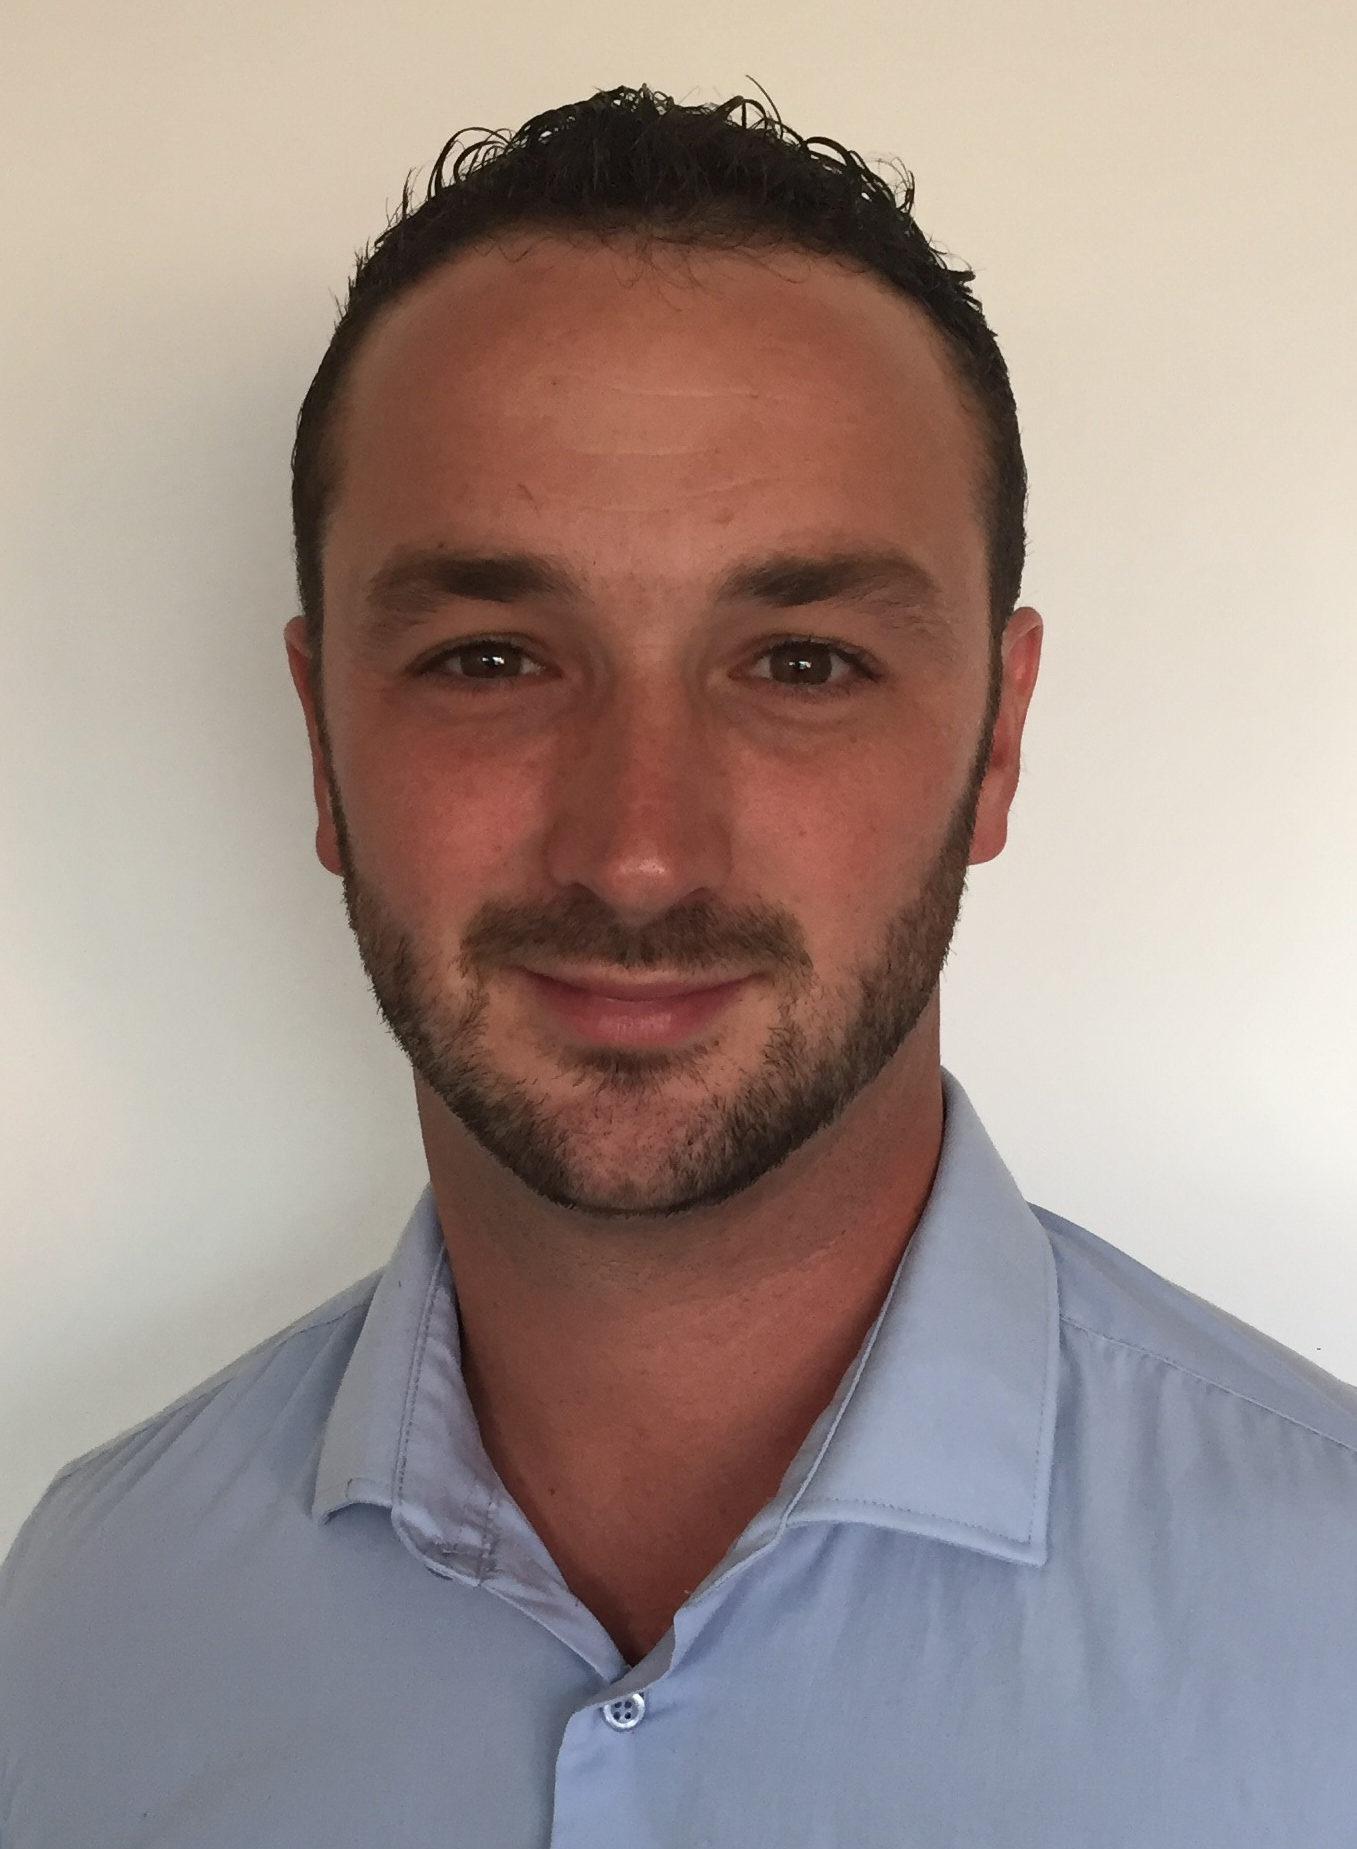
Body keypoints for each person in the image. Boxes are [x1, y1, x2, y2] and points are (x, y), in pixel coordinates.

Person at [2, 85, 1354, 1848]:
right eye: (492, 659)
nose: (638, 851)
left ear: (997, 740)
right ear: (323, 744)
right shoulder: (84, 1626)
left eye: (801, 664)